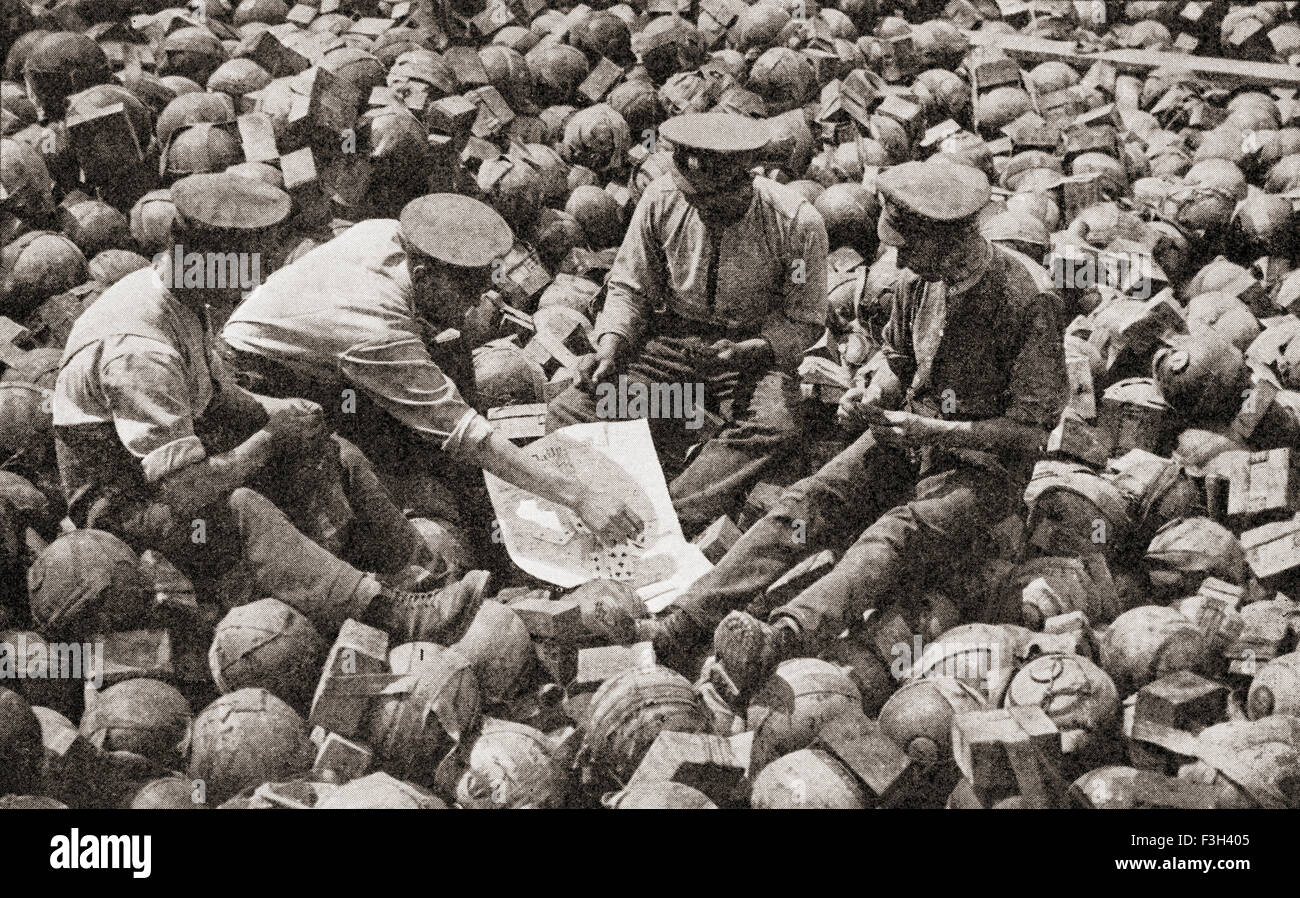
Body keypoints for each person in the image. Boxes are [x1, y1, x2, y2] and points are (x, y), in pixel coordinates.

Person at [641, 161, 1069, 690]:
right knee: (808, 501)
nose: (897, 258)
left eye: (908, 247)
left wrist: (934, 432)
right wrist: (873, 391)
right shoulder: (918, 281)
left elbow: (1030, 433)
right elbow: (898, 358)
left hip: (984, 473)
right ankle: (684, 621)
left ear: (952, 237)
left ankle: (783, 638)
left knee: (893, 535)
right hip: (908, 437)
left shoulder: (1027, 302)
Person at [51, 173, 487, 643]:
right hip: (124, 501)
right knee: (242, 509)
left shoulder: (183, 293)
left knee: (337, 451)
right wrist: (267, 439)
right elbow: (185, 491)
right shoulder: (139, 351)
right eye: (241, 272)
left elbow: (214, 394)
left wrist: (277, 411)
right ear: (203, 262)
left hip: (168, 465)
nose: (245, 288)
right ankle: (396, 614)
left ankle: (419, 573)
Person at [220, 193, 643, 547]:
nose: (481, 300)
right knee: (367, 487)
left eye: (484, 284)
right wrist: (579, 496)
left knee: (451, 359)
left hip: (310, 358)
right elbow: (463, 433)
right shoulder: (377, 332)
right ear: (422, 276)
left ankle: (468, 492)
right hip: (260, 382)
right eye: (468, 290)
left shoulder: (386, 232)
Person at [547, 112, 829, 532]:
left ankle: (670, 514)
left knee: (777, 424)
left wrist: (755, 349)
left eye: (711, 200)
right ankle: (660, 437)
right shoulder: (663, 199)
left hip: (751, 360)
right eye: (691, 197)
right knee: (572, 411)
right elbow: (631, 286)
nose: (699, 208)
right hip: (673, 352)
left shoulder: (796, 225)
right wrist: (609, 346)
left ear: (745, 179)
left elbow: (803, 319)